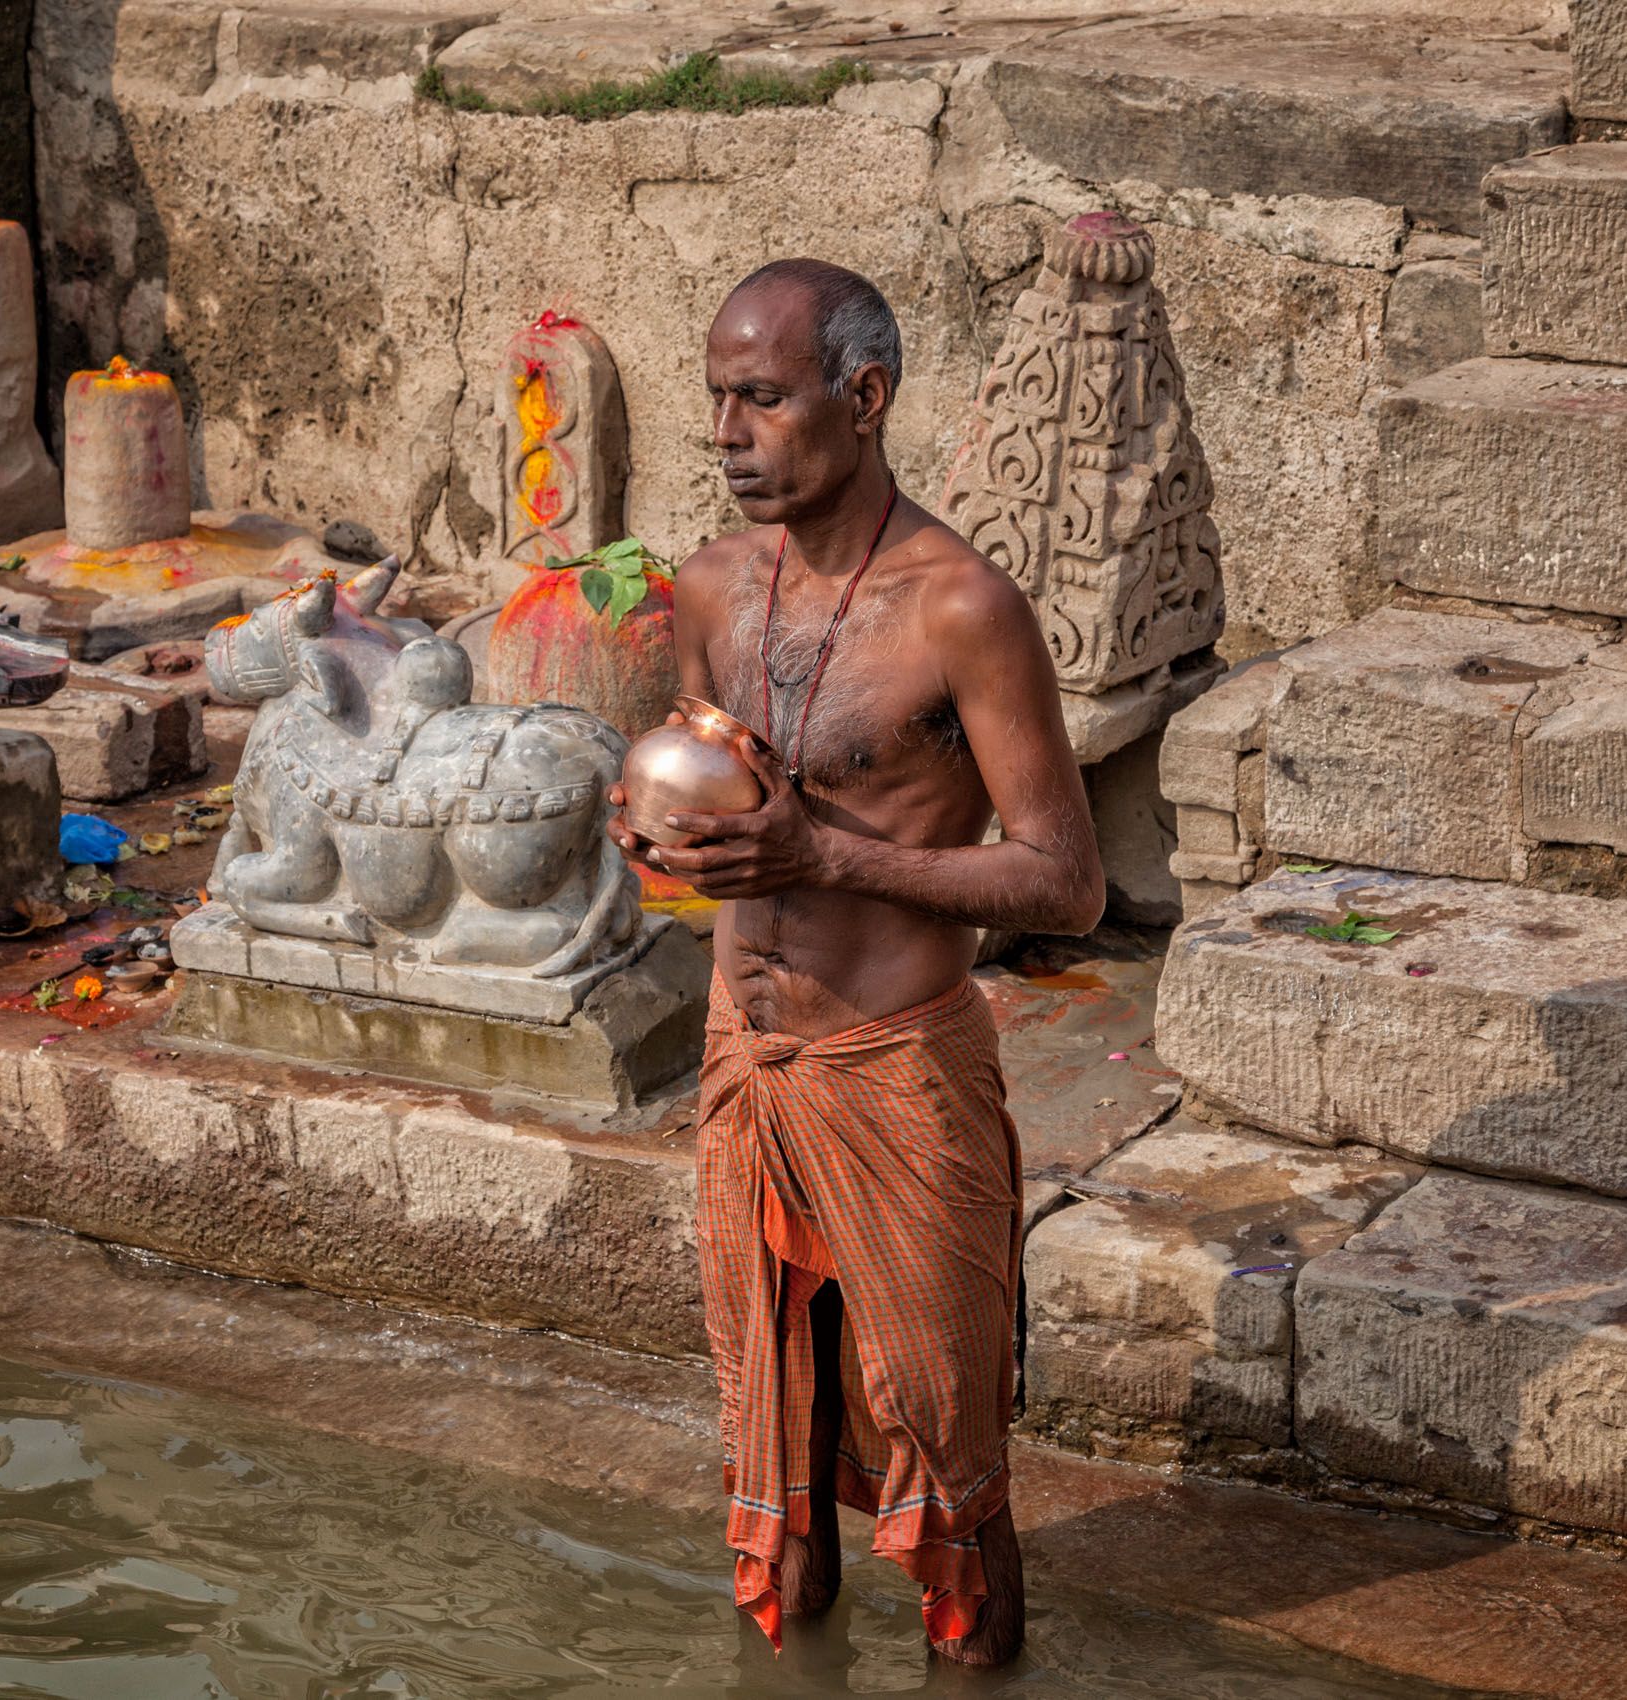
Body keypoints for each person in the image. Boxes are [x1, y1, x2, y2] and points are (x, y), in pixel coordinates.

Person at [607, 259, 1104, 1667]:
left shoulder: (962, 609)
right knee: (774, 1447)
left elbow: (1065, 882)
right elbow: (709, 790)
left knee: (949, 1477)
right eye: (717, 398)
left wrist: (824, 859)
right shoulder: (710, 588)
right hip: (746, 1066)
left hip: (895, 1076)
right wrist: (654, 831)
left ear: (864, 396)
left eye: (762, 399)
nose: (726, 434)